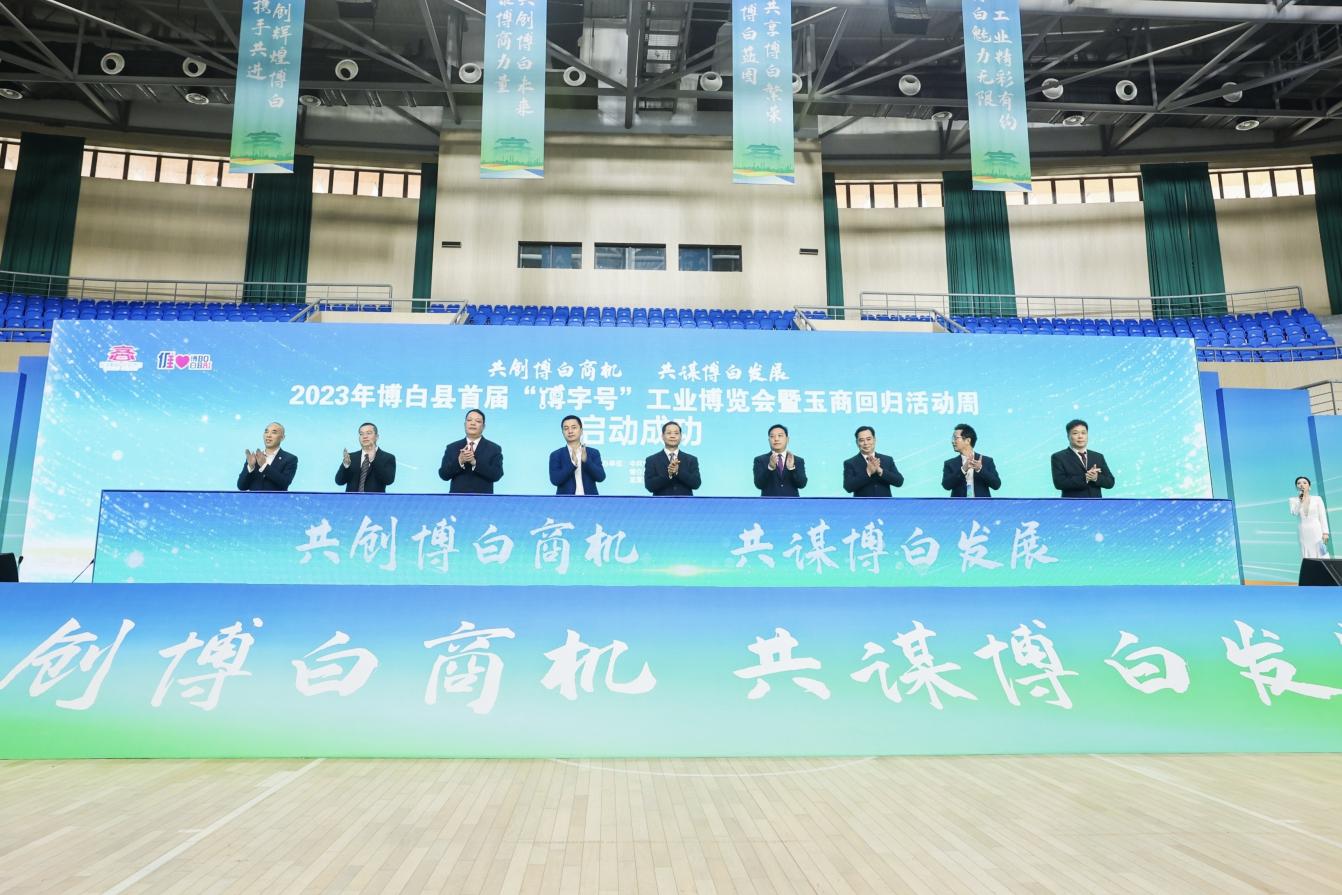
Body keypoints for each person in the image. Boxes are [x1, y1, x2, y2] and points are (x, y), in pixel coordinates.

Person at [438, 408, 504, 494]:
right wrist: (460, 461)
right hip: (457, 499)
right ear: (465, 424)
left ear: (483, 426)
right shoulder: (452, 447)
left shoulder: (494, 448)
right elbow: (443, 475)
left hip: (483, 499)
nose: (472, 423)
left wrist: (475, 463)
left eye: (478, 421)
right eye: (469, 420)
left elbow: (497, 475)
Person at [1050, 419, 1115, 498]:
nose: (1080, 436)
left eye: (1083, 433)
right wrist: (1086, 477)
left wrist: (1096, 478)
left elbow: (1110, 482)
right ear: (1068, 436)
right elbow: (1059, 483)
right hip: (1072, 503)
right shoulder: (1058, 457)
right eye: (1075, 433)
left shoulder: (1098, 457)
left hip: (1096, 504)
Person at [549, 414, 606, 495]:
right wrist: (572, 464)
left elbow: (601, 477)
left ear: (581, 430)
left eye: (574, 427)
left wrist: (586, 461)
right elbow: (555, 480)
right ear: (562, 432)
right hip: (565, 501)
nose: (570, 431)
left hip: (590, 500)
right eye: (566, 428)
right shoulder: (556, 455)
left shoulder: (593, 452)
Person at [941, 423, 1000, 498]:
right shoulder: (950, 463)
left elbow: (996, 485)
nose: (953, 441)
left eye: (956, 438)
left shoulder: (987, 461)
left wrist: (980, 469)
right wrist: (963, 469)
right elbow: (946, 485)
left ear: (968, 440)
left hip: (982, 505)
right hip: (959, 505)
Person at [843, 425, 904, 497]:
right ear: (857, 442)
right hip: (862, 504)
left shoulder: (887, 460)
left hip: (885, 503)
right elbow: (848, 487)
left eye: (868, 439)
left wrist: (880, 471)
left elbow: (899, 481)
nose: (865, 443)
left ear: (874, 440)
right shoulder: (850, 463)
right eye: (861, 440)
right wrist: (868, 472)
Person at [644, 420, 701, 496]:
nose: (672, 436)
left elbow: (696, 484)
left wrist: (678, 472)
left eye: (676, 433)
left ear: (681, 436)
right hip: (661, 502)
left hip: (685, 502)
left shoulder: (691, 459)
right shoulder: (651, 460)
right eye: (669, 433)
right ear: (662, 436)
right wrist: (669, 474)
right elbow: (649, 486)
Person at [237, 421, 298, 492]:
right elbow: (241, 486)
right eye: (266, 432)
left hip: (276, 499)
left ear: (282, 437)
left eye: (274, 432)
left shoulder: (290, 459)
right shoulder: (254, 458)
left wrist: (264, 466)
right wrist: (250, 467)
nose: (268, 435)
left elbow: (284, 483)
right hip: (254, 499)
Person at [335, 422, 396, 492]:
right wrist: (346, 466)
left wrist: (373, 460)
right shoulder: (351, 458)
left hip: (375, 499)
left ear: (377, 436)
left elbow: (388, 480)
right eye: (361, 434)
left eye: (368, 433)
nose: (364, 436)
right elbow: (339, 481)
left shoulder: (387, 457)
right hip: (352, 499)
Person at [753, 423, 807, 497]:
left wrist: (792, 468)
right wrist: (770, 468)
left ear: (787, 439)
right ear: (769, 440)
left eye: (780, 435)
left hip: (792, 503)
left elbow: (802, 484)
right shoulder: (760, 460)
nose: (776, 439)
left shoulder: (798, 460)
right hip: (768, 503)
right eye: (772, 436)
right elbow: (759, 485)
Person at [1290, 475, 1330, 559]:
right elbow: (1294, 513)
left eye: (1304, 483)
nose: (1302, 485)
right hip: (1303, 531)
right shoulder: (1293, 500)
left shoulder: (1317, 499)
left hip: (1316, 530)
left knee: (1321, 552)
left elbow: (1322, 516)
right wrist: (1300, 501)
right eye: (1299, 483)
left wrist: (1325, 532)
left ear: (1309, 486)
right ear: (1296, 487)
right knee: (1306, 553)